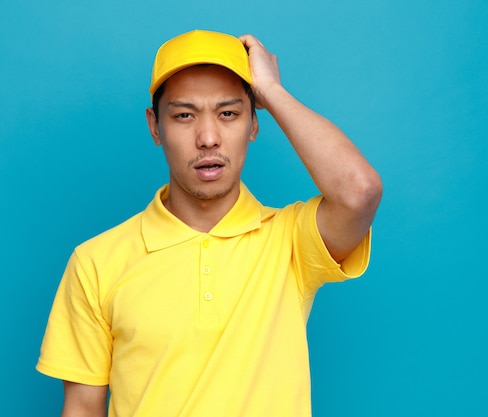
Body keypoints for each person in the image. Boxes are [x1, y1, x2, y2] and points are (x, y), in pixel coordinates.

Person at [36, 29, 382, 417]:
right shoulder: (95, 261)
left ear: (254, 124)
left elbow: (359, 192)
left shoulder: (290, 242)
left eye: (229, 113)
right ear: (155, 126)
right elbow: (82, 408)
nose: (208, 137)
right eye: (184, 115)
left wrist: (271, 91)